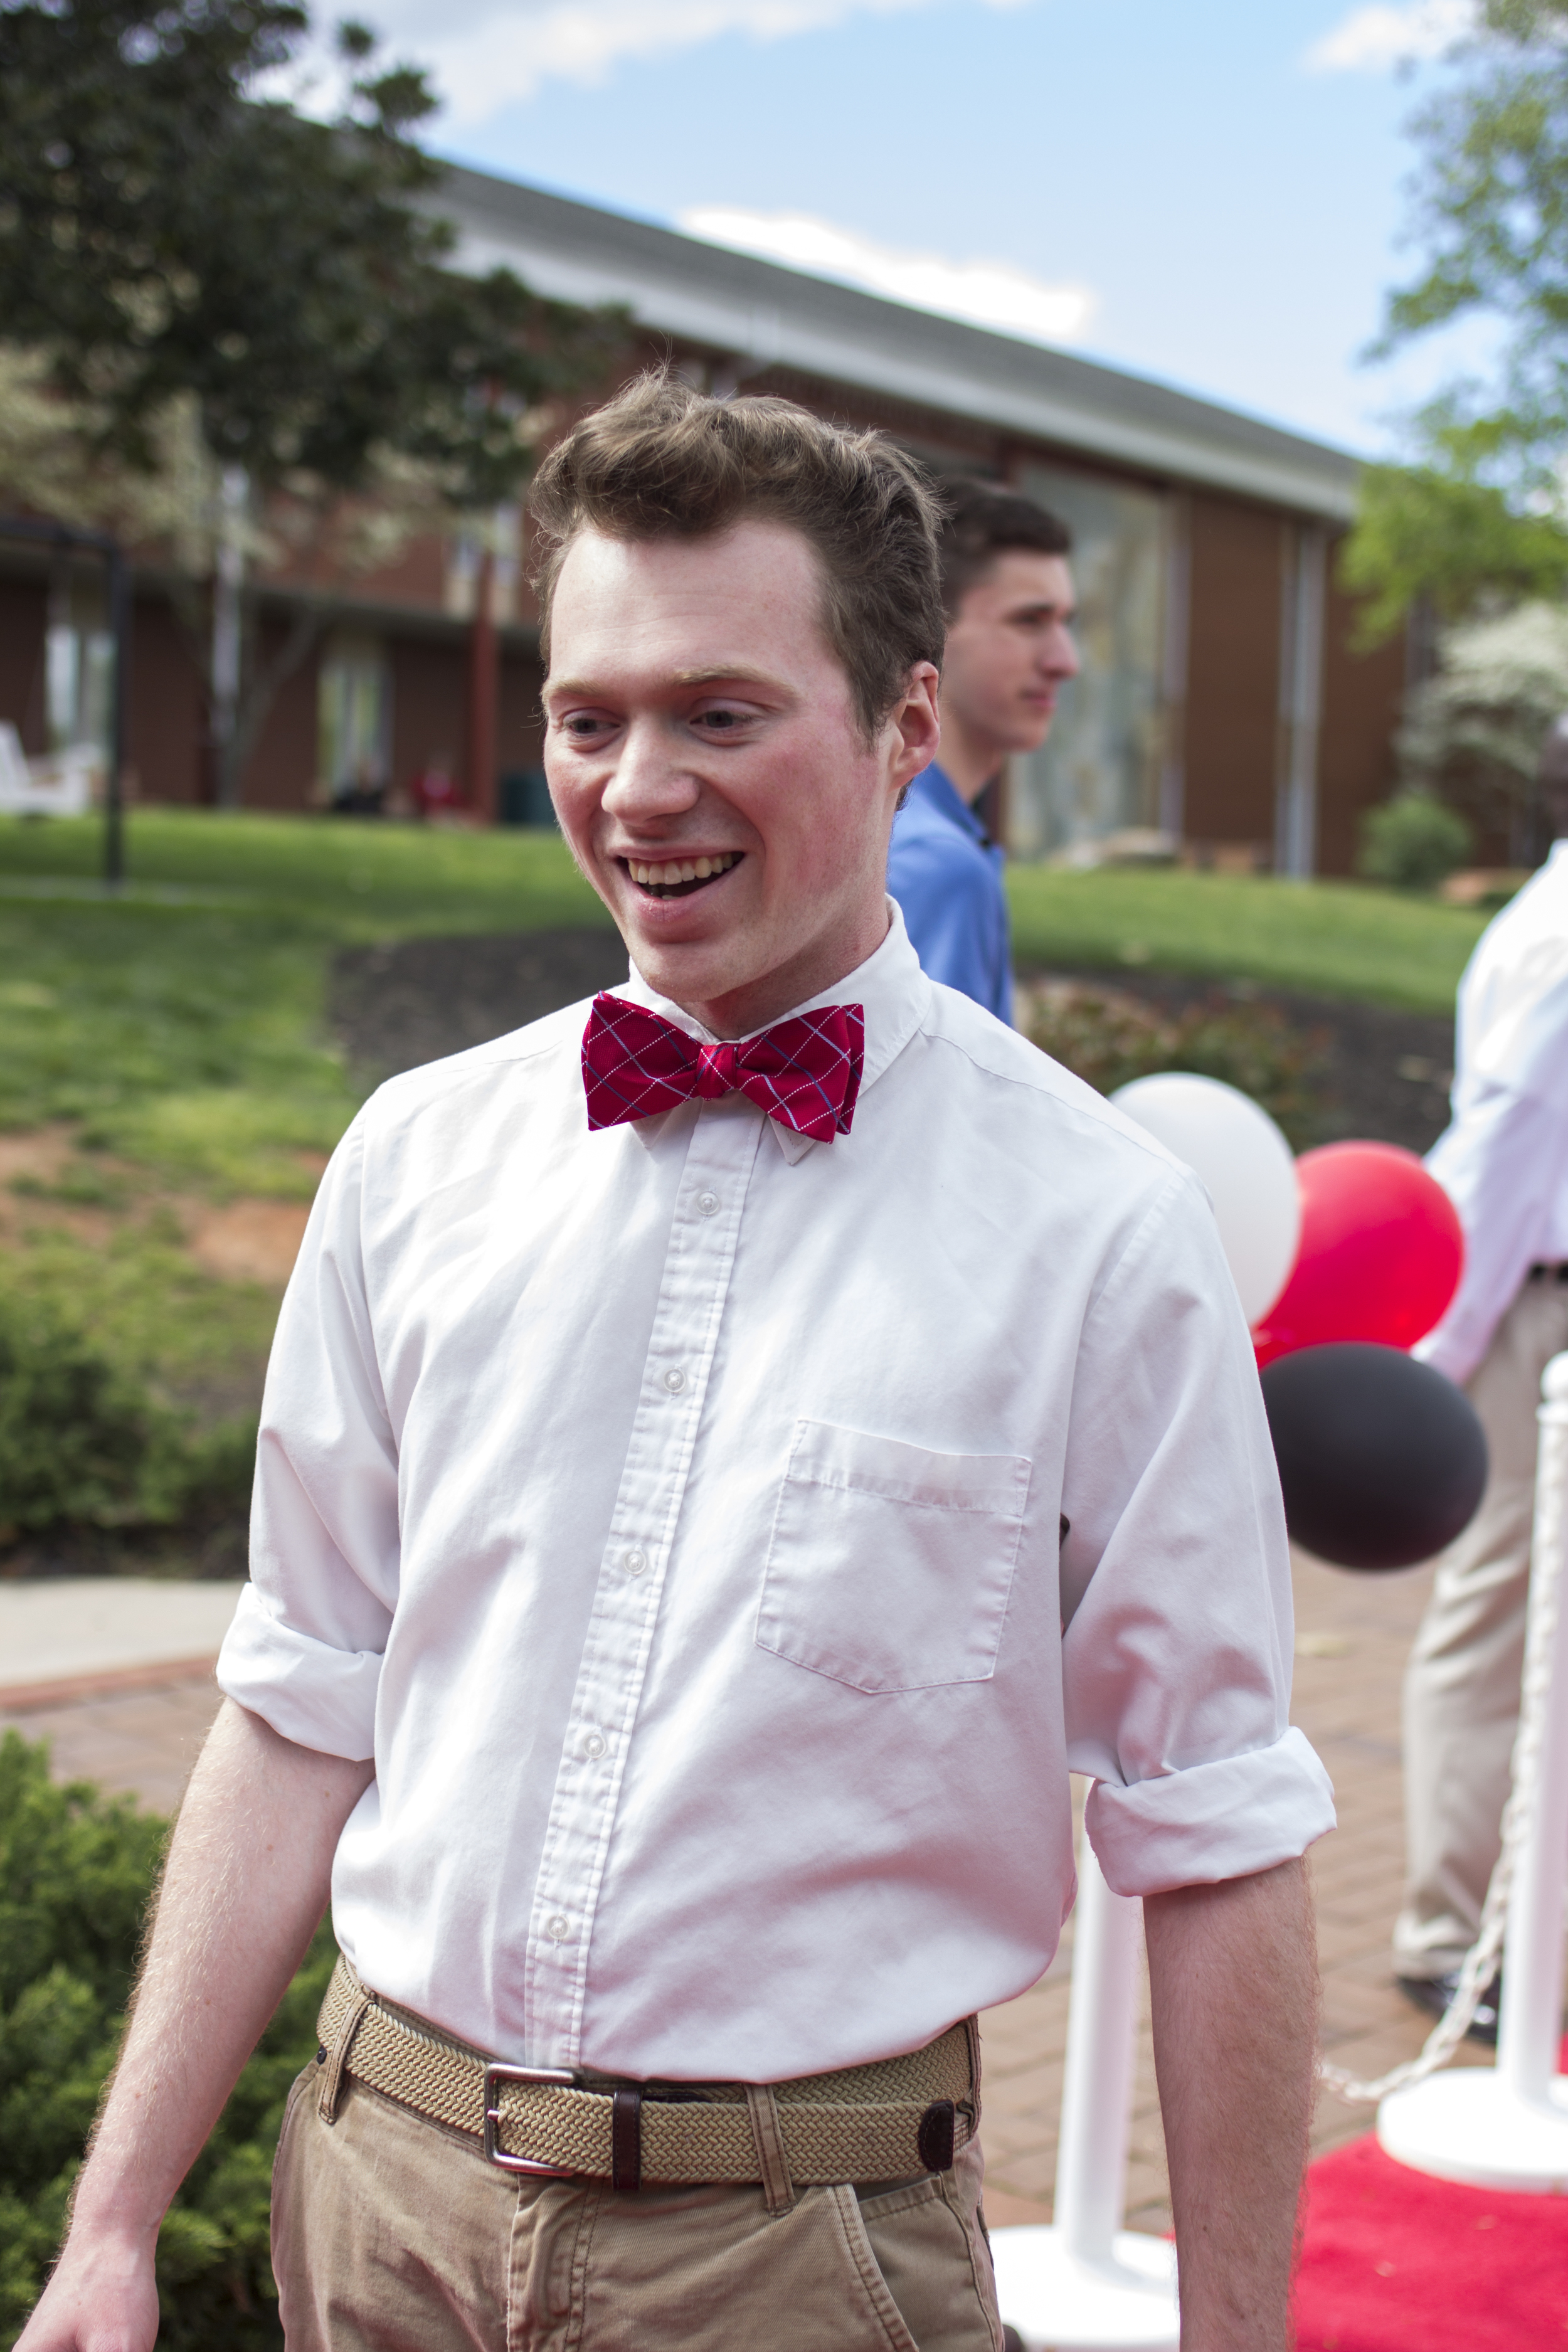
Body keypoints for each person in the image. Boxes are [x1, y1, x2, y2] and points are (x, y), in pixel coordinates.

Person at [21, 376, 1333, 2352]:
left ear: (902, 728)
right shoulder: (413, 1155)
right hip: (370, 2196)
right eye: (586, 715)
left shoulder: (1096, 1228)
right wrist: (114, 2226)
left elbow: (1214, 1825)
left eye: (718, 711)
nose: (636, 784)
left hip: (794, 2263)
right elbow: (299, 1693)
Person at [1394, 743, 1568, 2033]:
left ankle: (1510, 1917)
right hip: (1529, 1309)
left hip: (1529, 1301)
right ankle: (1449, 1933)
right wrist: (1436, 1358)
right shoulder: (1558, 939)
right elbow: (1499, 1155)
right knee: (1496, 1612)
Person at [886, 479, 1078, 1023]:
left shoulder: (905, 831)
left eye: (1067, 624)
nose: (1066, 660)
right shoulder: (935, 862)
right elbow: (932, 1103)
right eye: (1030, 621)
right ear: (930, 631)